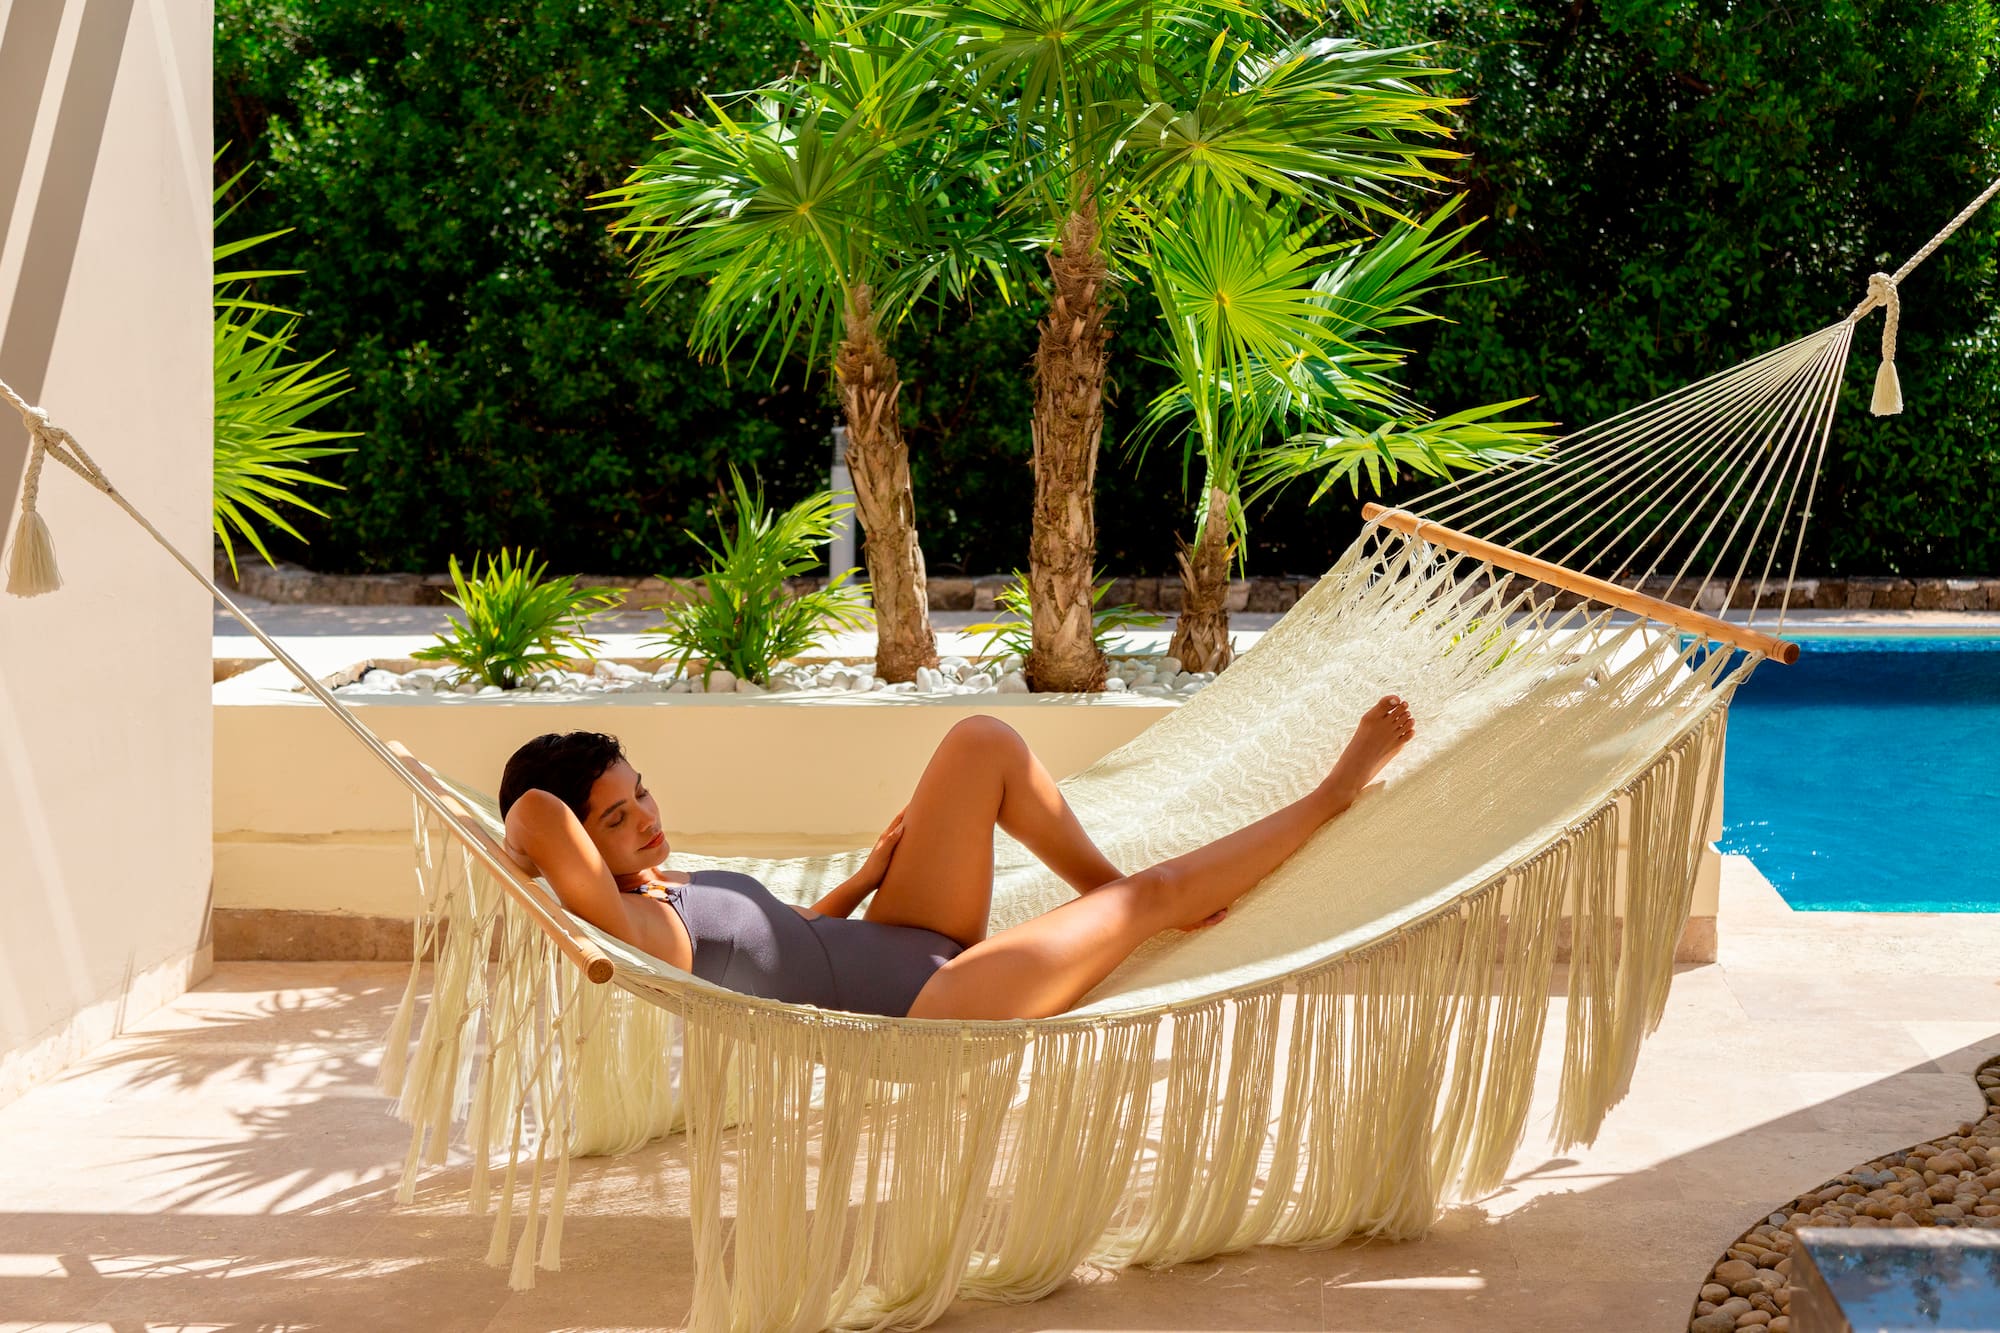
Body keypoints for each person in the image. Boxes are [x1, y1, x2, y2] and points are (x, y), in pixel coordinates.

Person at [498, 697, 1415, 1021]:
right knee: (1156, 894)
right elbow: (536, 814)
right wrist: (520, 844)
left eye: (642, 792)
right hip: (934, 1002)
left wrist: (863, 879)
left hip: (904, 933)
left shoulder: (659, 883)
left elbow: (780, 944)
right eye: (615, 817)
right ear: (580, 842)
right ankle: (1331, 795)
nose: (646, 818)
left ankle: (1101, 893)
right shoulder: (636, 926)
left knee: (983, 741)